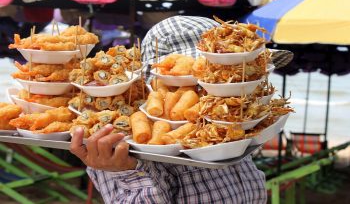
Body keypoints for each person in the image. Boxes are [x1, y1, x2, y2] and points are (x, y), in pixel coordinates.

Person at [70, 16, 273, 204]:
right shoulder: (118, 144)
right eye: (205, 78)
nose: (223, 85)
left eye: (227, 77)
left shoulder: (229, 121)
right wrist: (122, 171)